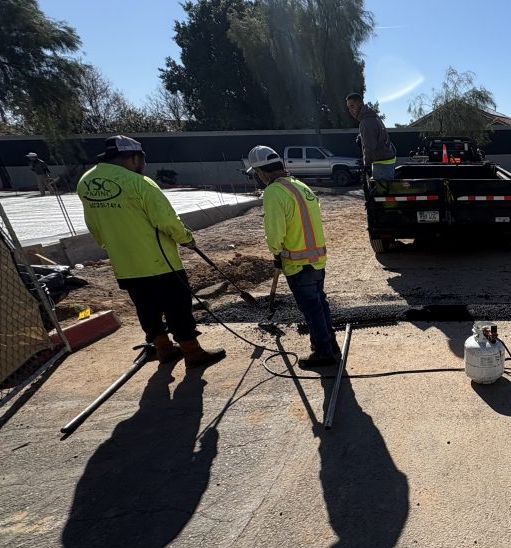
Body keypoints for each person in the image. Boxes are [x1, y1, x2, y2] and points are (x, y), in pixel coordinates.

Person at [78, 136, 225, 368]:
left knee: (145, 307)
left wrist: (111, 247)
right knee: (177, 305)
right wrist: (185, 238)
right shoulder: (140, 183)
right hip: (159, 261)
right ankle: (192, 351)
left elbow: (93, 224)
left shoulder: (86, 182)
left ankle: (163, 348)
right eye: (142, 160)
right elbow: (165, 220)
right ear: (134, 157)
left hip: (125, 264)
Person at [245, 145, 337, 367]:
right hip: (316, 259)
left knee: (311, 307)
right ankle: (330, 343)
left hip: (298, 263)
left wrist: (276, 253)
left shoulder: (274, 192)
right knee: (319, 302)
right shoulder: (300, 186)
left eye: (257, 174)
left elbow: (275, 232)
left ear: (262, 172)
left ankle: (323, 351)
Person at [345, 94, 396, 180]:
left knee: (381, 192)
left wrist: (366, 166)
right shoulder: (372, 116)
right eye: (349, 108)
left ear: (360, 104)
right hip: (386, 159)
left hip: (381, 163)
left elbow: (369, 146)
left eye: (352, 106)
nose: (350, 110)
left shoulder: (366, 122)